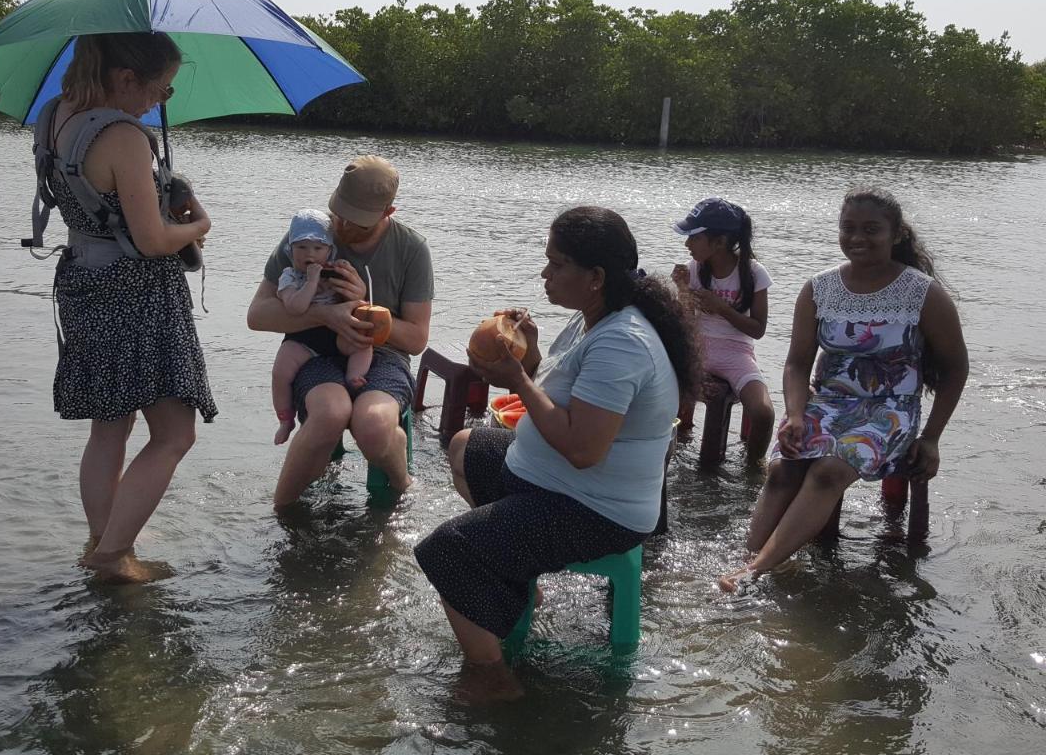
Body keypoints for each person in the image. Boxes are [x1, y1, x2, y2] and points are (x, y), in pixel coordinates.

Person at [414, 207, 702, 693]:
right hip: (557, 483)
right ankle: (515, 579)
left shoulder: (623, 343)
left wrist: (518, 380)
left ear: (595, 277)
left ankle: (492, 677)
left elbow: (583, 448)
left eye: (556, 264)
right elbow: (570, 394)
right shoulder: (594, 317)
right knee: (465, 446)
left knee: (448, 550)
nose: (545, 274)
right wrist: (530, 354)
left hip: (591, 508)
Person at [718, 186, 969, 592]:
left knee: (828, 471)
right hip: (826, 403)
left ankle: (755, 571)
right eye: (848, 228)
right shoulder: (819, 288)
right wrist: (796, 415)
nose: (857, 238)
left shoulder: (922, 293)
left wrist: (933, 438)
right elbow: (797, 363)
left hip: (890, 410)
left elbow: (957, 368)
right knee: (784, 467)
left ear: (896, 234)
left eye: (871, 230)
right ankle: (748, 561)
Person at [38, 33, 216, 584]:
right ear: (125, 79)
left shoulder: (55, 115)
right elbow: (151, 239)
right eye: (161, 87)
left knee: (109, 426)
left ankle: (103, 537)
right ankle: (114, 556)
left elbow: (92, 206)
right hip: (135, 292)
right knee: (173, 435)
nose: (163, 99)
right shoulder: (123, 136)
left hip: (83, 282)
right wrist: (198, 222)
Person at [247, 156, 433, 508]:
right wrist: (325, 315)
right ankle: (281, 511)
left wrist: (366, 306)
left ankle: (401, 482)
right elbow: (258, 315)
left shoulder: (411, 249)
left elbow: (416, 339)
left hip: (381, 354)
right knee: (329, 415)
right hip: (316, 349)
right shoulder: (308, 237)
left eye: (357, 223)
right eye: (340, 213)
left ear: (388, 212)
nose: (343, 227)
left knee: (374, 426)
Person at [671, 197, 775, 462]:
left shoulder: (753, 273)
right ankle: (676, 445)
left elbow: (758, 330)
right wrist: (683, 290)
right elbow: (684, 323)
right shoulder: (693, 269)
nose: (687, 245)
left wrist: (722, 308)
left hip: (735, 353)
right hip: (697, 348)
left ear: (719, 242)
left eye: (694, 238)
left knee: (763, 413)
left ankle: (753, 468)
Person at [271, 209, 373, 445]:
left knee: (363, 342)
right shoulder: (289, 277)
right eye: (302, 248)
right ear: (290, 250)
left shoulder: (336, 270)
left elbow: (356, 301)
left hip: (337, 333)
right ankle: (285, 419)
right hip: (303, 337)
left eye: (318, 249)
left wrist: (352, 283)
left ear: (329, 251)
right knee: (280, 372)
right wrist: (311, 282)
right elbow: (295, 307)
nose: (310, 255)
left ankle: (354, 375)